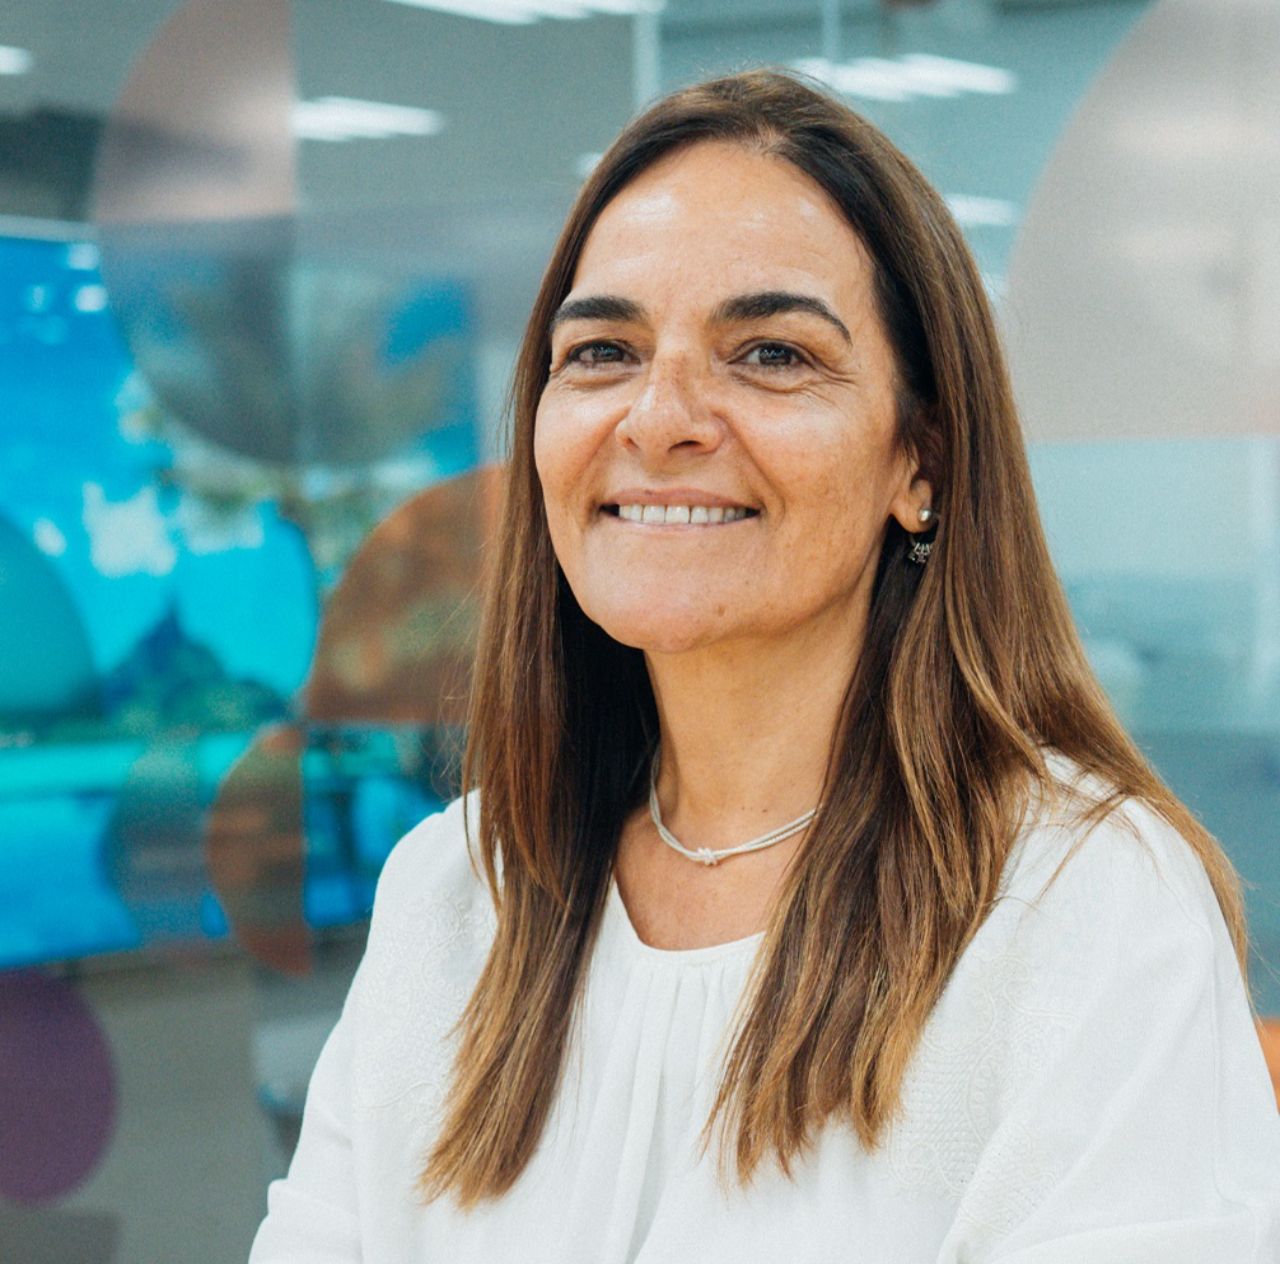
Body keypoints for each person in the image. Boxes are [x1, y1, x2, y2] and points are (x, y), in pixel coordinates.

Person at [248, 69, 1280, 1262]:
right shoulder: (452, 889)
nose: (658, 417)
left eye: (772, 354)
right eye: (602, 351)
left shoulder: (1077, 906)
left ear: (919, 460)